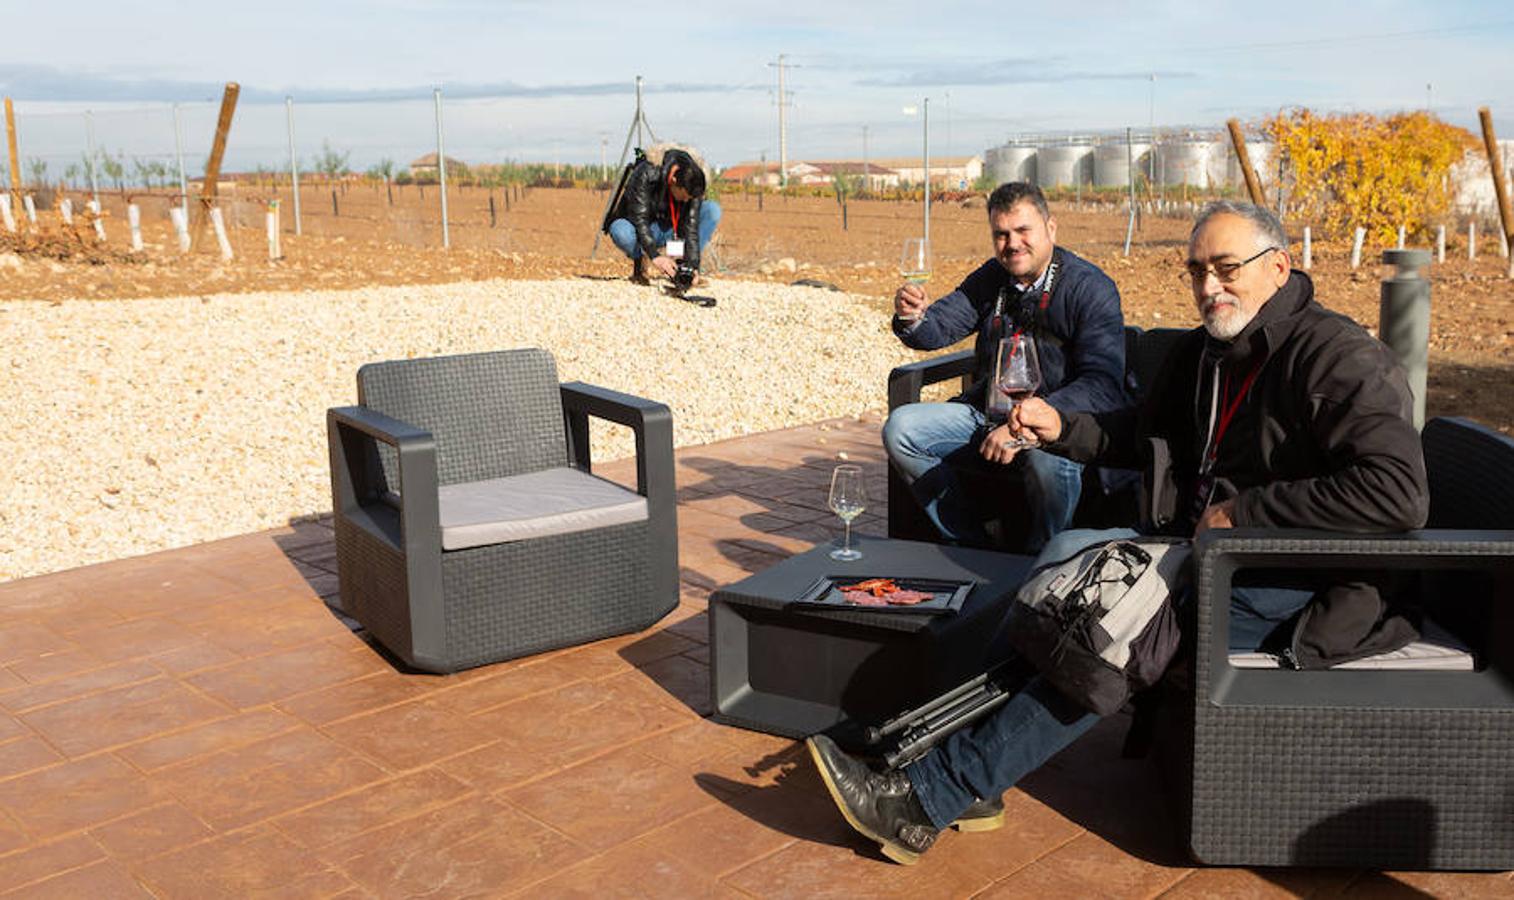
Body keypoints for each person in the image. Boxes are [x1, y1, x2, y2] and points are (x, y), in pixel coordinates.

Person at [808, 200, 1430, 865]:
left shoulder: (1335, 357)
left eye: (1225, 269)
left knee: (1111, 628)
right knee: (1053, 589)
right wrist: (1061, 428)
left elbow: (1398, 492)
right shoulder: (1209, 352)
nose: (1207, 288)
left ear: (1278, 267)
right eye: (1196, 271)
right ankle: (911, 736)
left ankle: (927, 799)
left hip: (1300, 582)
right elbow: (1137, 434)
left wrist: (1247, 514)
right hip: (1203, 558)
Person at [882, 181, 1128, 553]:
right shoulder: (992, 278)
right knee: (902, 429)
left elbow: (1103, 383)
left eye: (1023, 230)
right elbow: (941, 325)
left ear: (1051, 228)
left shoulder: (1089, 288)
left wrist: (1033, 419)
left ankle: (1040, 565)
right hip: (988, 415)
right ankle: (971, 547)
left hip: (1055, 427)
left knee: (1048, 464)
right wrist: (912, 318)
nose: (1012, 244)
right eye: (1001, 234)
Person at [605, 143, 722, 286]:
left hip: (672, 229)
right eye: (684, 196)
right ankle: (640, 262)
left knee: (712, 210)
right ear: (674, 181)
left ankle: (683, 269)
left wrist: (692, 266)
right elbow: (639, 219)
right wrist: (655, 256)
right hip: (644, 228)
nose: (686, 201)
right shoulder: (647, 172)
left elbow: (691, 228)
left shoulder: (694, 180)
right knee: (620, 230)